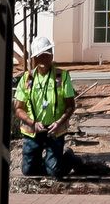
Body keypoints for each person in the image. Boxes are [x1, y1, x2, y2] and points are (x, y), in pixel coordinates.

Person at [15, 42, 77, 180]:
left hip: (54, 130)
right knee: (28, 170)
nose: (42, 59)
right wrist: (32, 123)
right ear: (34, 58)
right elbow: (18, 108)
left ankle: (67, 159)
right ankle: (49, 164)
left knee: (54, 172)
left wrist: (59, 122)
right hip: (33, 130)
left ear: (51, 56)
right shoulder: (27, 78)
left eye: (46, 55)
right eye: (39, 56)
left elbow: (71, 106)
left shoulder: (61, 76)